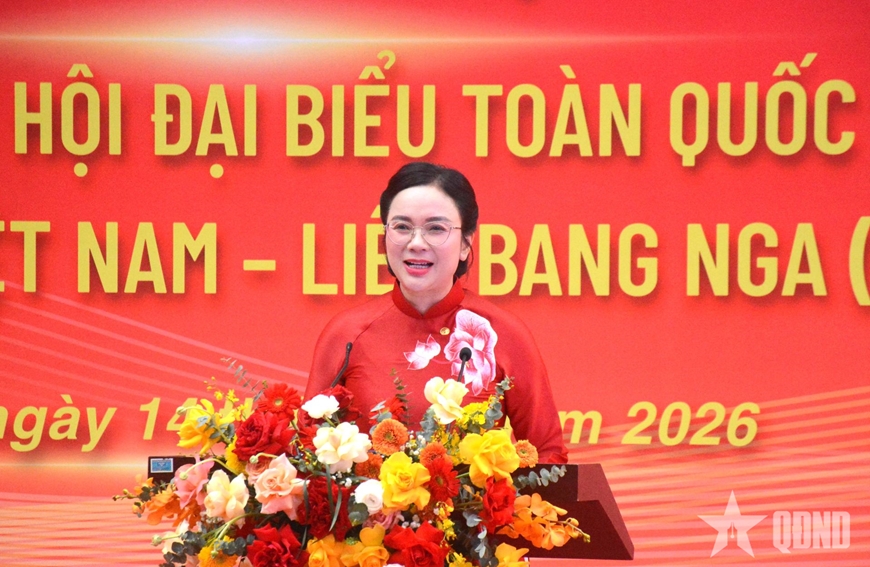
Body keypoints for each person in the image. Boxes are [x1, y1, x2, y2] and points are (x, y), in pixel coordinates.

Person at [305, 162, 568, 463]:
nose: (416, 243)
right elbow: (306, 448)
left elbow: (547, 455)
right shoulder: (347, 333)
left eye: (436, 229)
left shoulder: (502, 333)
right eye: (402, 227)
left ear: (466, 243)